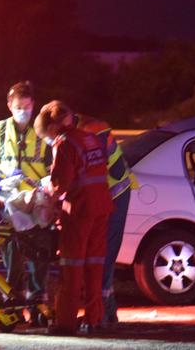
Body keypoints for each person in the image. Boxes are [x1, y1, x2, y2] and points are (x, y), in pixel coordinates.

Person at [34, 101, 113, 335]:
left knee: (72, 265)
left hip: (79, 210)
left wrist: (47, 190)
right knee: (94, 264)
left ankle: (65, 322)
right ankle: (94, 318)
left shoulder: (64, 143)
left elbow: (61, 184)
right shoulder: (88, 137)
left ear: (51, 128)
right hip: (101, 206)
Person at [0, 81, 52, 325]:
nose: (23, 110)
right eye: (18, 106)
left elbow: (55, 165)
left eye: (27, 105)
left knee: (38, 254)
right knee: (11, 254)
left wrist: (45, 185)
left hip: (37, 201)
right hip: (9, 201)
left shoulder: (43, 129)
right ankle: (14, 300)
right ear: (9, 106)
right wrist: (2, 170)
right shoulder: (0, 131)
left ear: (34, 105)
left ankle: (36, 304)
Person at [76, 116, 137, 328]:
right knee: (103, 255)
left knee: (104, 255)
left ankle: (102, 311)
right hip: (112, 193)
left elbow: (93, 168)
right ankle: (108, 310)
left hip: (115, 195)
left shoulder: (91, 132)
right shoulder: (86, 131)